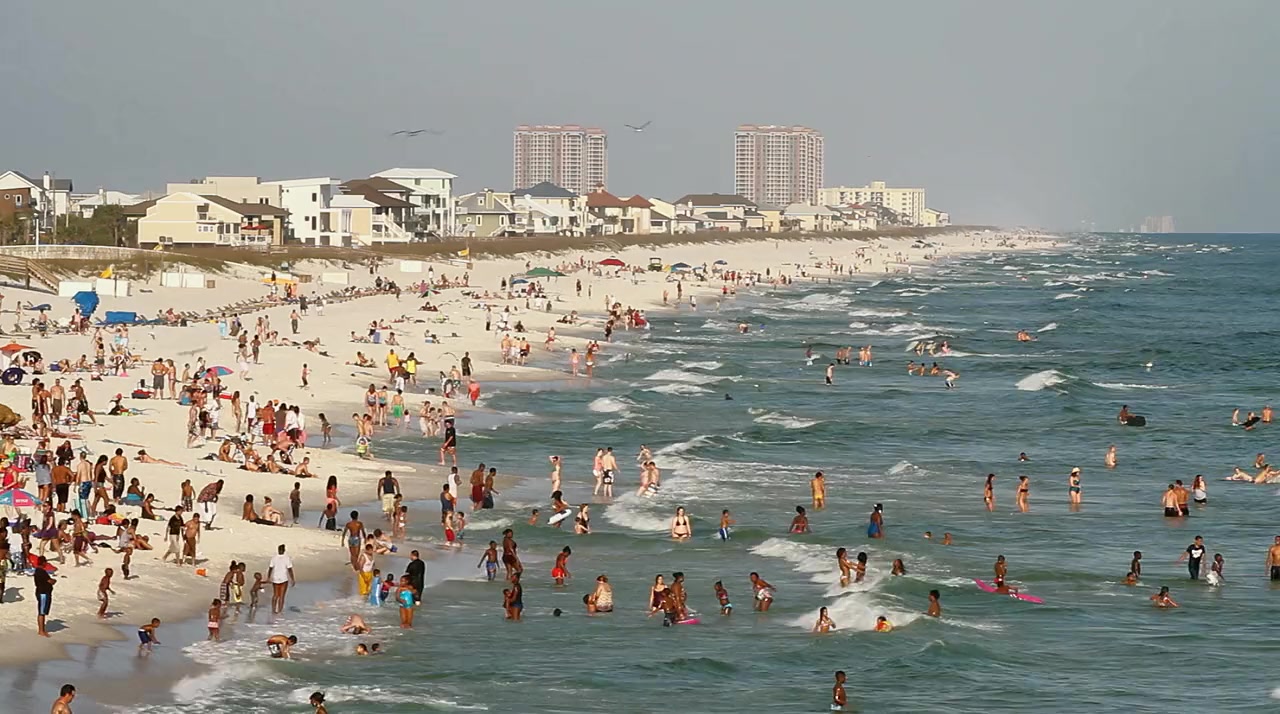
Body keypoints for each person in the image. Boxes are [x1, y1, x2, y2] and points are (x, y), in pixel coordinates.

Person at [268, 544, 295, 614]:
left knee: (275, 595)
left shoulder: (274, 558)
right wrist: (292, 579)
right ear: (284, 550)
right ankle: (279, 611)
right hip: (284, 578)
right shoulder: (287, 558)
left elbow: (270, 568)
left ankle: (273, 610)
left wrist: (269, 577)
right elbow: (289, 569)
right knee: (282, 596)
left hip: (275, 578)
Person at [34, 556, 56, 637]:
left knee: (42, 611)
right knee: (41, 612)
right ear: (43, 562)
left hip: (43, 592)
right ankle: (41, 631)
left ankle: (42, 630)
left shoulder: (39, 571)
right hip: (43, 593)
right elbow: (50, 581)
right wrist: (54, 580)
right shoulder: (41, 571)